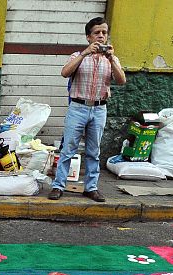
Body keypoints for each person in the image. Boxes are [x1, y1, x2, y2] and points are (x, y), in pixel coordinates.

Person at [48, 17, 126, 202]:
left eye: (104, 33)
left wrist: (111, 59)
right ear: (88, 37)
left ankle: (91, 188)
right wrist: (85, 54)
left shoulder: (112, 59)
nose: (100, 36)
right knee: (68, 149)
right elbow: (64, 72)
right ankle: (58, 186)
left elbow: (122, 81)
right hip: (78, 107)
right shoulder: (77, 56)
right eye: (96, 33)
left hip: (99, 109)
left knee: (94, 151)